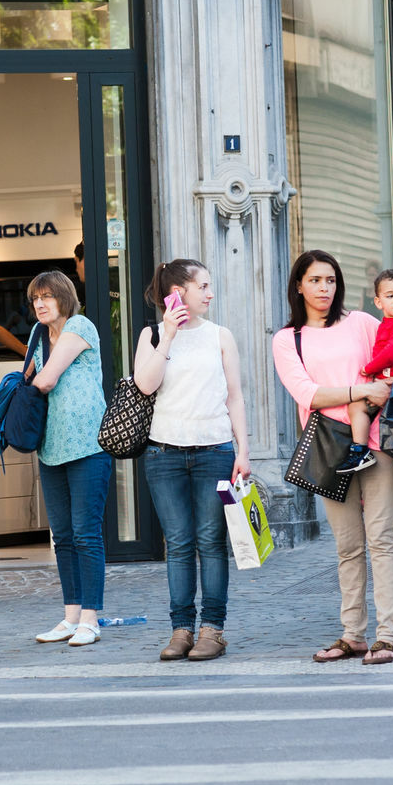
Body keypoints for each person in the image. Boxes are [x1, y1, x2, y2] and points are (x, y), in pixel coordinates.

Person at [272, 250, 393, 666]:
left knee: (381, 539)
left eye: (330, 280)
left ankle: (388, 637)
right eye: (315, 281)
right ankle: (354, 635)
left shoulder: (363, 323)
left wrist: (376, 392)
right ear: (299, 285)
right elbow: (307, 393)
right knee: (348, 545)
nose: (324, 288)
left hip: (376, 443)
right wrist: (360, 391)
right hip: (328, 446)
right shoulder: (287, 338)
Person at [132, 258, 252, 663]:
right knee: (180, 544)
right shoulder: (151, 334)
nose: (210, 293)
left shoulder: (220, 335)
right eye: (203, 286)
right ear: (177, 292)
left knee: (210, 542)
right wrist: (167, 334)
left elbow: (234, 396)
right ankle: (181, 629)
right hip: (164, 453)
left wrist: (243, 452)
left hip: (214, 451)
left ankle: (212, 630)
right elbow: (145, 386)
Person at [26, 270, 111, 648]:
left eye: (46, 296)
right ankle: (71, 616)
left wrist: (30, 380)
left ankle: (90, 619)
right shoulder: (36, 334)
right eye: (34, 299)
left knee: (86, 534)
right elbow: (30, 375)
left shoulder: (80, 325)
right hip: (51, 446)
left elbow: (43, 380)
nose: (40, 304)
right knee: (62, 537)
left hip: (88, 446)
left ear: (63, 296)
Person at [344, 270, 393, 473]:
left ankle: (360, 451)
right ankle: (362, 449)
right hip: (390, 380)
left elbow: (390, 353)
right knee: (360, 408)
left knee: (358, 406)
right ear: (378, 302)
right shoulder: (389, 323)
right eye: (390, 296)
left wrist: (368, 369)